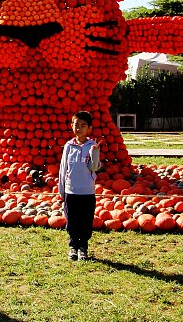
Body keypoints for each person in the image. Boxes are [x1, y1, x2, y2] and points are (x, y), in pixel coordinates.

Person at [58, 110, 101, 261]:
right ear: (71, 126)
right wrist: (62, 189)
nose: (79, 128)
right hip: (71, 190)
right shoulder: (68, 146)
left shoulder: (92, 146)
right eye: (76, 125)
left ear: (89, 129)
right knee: (72, 220)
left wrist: (95, 153)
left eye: (83, 126)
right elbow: (63, 168)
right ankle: (73, 246)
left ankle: (83, 247)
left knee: (85, 220)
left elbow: (94, 167)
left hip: (87, 191)